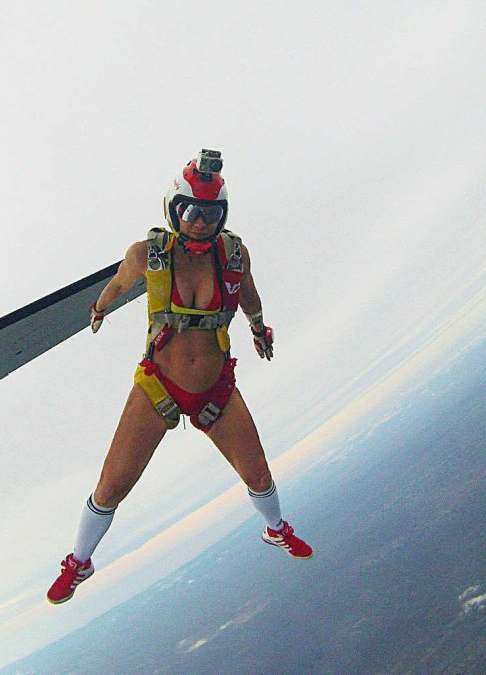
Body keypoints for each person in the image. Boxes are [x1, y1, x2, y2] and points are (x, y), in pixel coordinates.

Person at [47, 150, 313, 605]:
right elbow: (118, 282)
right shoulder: (146, 255)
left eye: (209, 214)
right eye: (189, 211)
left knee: (259, 474)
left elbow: (247, 292)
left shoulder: (232, 253)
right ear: (173, 209)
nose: (199, 222)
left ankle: (275, 528)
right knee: (111, 486)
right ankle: (80, 561)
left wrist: (257, 326)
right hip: (159, 385)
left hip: (216, 387)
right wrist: (100, 307)